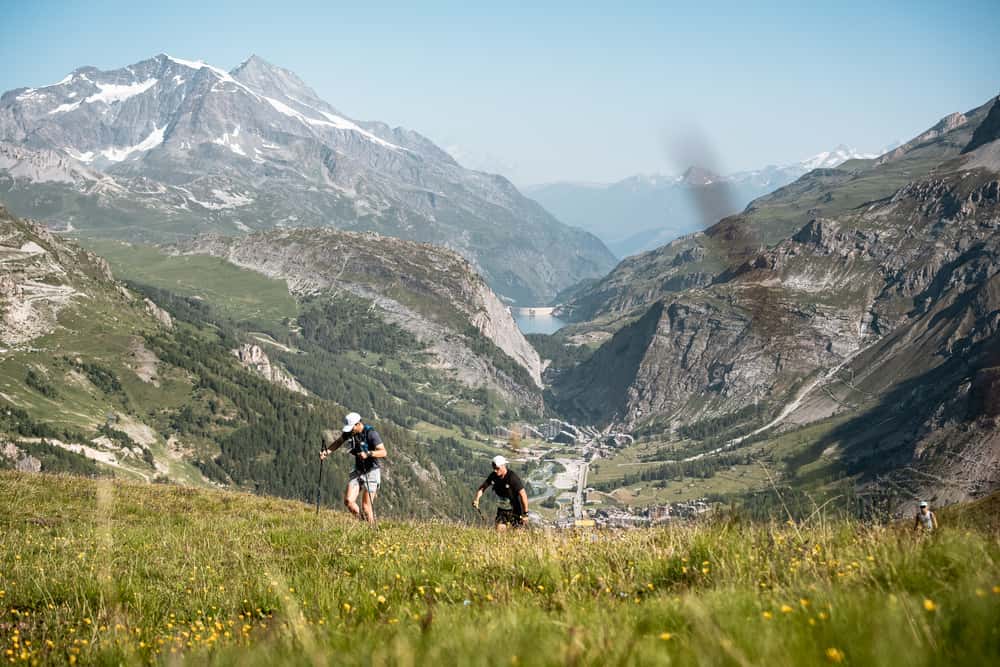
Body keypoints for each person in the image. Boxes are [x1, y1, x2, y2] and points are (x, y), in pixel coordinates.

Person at [319, 412, 386, 524]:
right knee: (348, 501)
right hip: (358, 470)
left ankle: (372, 530)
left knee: (366, 507)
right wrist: (326, 452)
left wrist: (368, 454)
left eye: (351, 427)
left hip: (372, 471)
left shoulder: (371, 434)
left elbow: (383, 452)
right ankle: (362, 522)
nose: (350, 430)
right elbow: (339, 442)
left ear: (358, 424)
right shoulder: (350, 433)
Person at [472, 455, 529, 530]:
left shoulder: (512, 477)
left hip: (516, 509)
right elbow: (482, 488)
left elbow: (523, 494)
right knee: (499, 534)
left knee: (517, 536)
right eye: (494, 468)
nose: (495, 470)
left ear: (503, 466)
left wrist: (525, 513)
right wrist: (477, 499)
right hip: (502, 509)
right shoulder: (494, 476)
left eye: (497, 468)